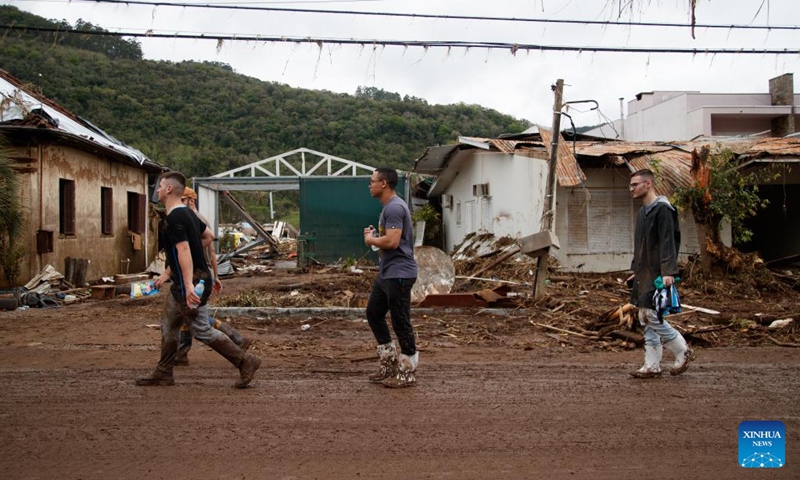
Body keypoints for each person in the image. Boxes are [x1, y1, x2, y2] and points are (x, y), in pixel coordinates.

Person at [136, 172, 261, 388]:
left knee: (201, 329)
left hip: (191, 282)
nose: (156, 190)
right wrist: (169, 274)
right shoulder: (189, 215)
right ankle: (164, 371)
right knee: (169, 324)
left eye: (160, 186)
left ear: (168, 190)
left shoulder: (175, 218)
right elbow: (208, 236)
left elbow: (183, 249)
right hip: (189, 280)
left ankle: (245, 360)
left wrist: (187, 285)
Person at [626, 169, 696, 378]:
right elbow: (641, 245)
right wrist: (636, 271)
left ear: (648, 184)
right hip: (644, 271)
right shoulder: (643, 212)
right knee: (644, 315)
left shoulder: (663, 209)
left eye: (635, 184)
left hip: (658, 272)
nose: (631, 189)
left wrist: (668, 271)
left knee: (651, 315)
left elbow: (669, 241)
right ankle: (652, 364)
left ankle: (682, 350)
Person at [172, 187, 252, 366]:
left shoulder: (191, 219)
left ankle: (238, 347)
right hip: (200, 272)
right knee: (187, 316)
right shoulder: (198, 219)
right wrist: (215, 275)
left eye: (182, 199)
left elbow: (192, 249)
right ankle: (181, 354)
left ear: (190, 200)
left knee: (195, 320)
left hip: (195, 273)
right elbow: (212, 250)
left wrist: (213, 275)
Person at [363, 167, 419, 388]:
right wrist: (376, 237)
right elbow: (390, 239)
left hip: (400, 274)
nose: (370, 185)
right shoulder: (389, 208)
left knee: (400, 321)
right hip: (388, 273)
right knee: (374, 313)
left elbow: (393, 242)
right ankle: (390, 363)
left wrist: (371, 241)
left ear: (383, 183)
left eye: (372, 181)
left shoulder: (394, 207)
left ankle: (407, 372)